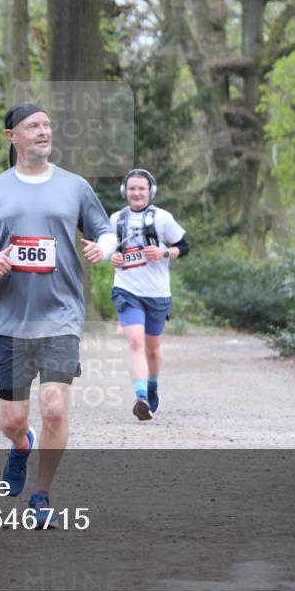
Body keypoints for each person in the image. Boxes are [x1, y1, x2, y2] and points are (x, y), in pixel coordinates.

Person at [0, 102, 116, 527]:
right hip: (8, 317)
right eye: (33, 126)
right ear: (12, 137)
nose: (43, 132)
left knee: (55, 410)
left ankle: (41, 495)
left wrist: (106, 247)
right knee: (13, 419)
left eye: (47, 124)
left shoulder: (75, 186)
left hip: (60, 315)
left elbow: (104, 229)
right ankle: (21, 445)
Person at [109, 169, 189, 421]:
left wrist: (164, 253)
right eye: (132, 188)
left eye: (141, 189)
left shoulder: (163, 218)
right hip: (126, 289)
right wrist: (112, 256)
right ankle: (141, 396)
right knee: (135, 342)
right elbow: (108, 248)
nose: (136, 193)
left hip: (157, 293)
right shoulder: (116, 219)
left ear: (150, 191)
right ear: (125, 192)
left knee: (153, 350)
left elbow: (184, 247)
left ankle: (152, 386)